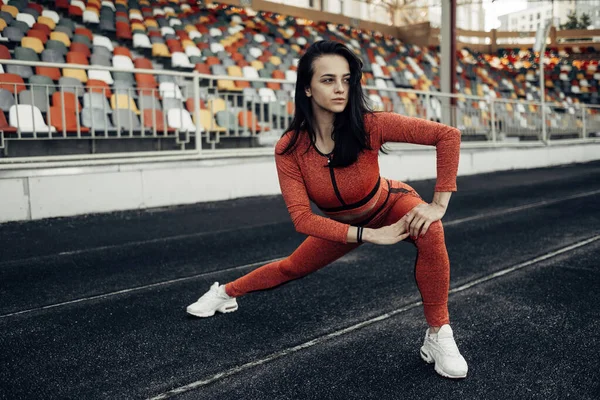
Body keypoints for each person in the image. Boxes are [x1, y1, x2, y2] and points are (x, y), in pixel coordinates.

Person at [187, 40, 468, 379]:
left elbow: (448, 135)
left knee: (430, 228)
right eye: (328, 80)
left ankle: (439, 334)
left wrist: (438, 204)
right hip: (346, 225)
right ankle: (224, 293)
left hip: (390, 203)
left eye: (347, 80)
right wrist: (368, 235)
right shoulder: (289, 149)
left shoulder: (370, 124)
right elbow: (302, 219)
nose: (340, 88)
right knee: (291, 268)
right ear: (306, 87)